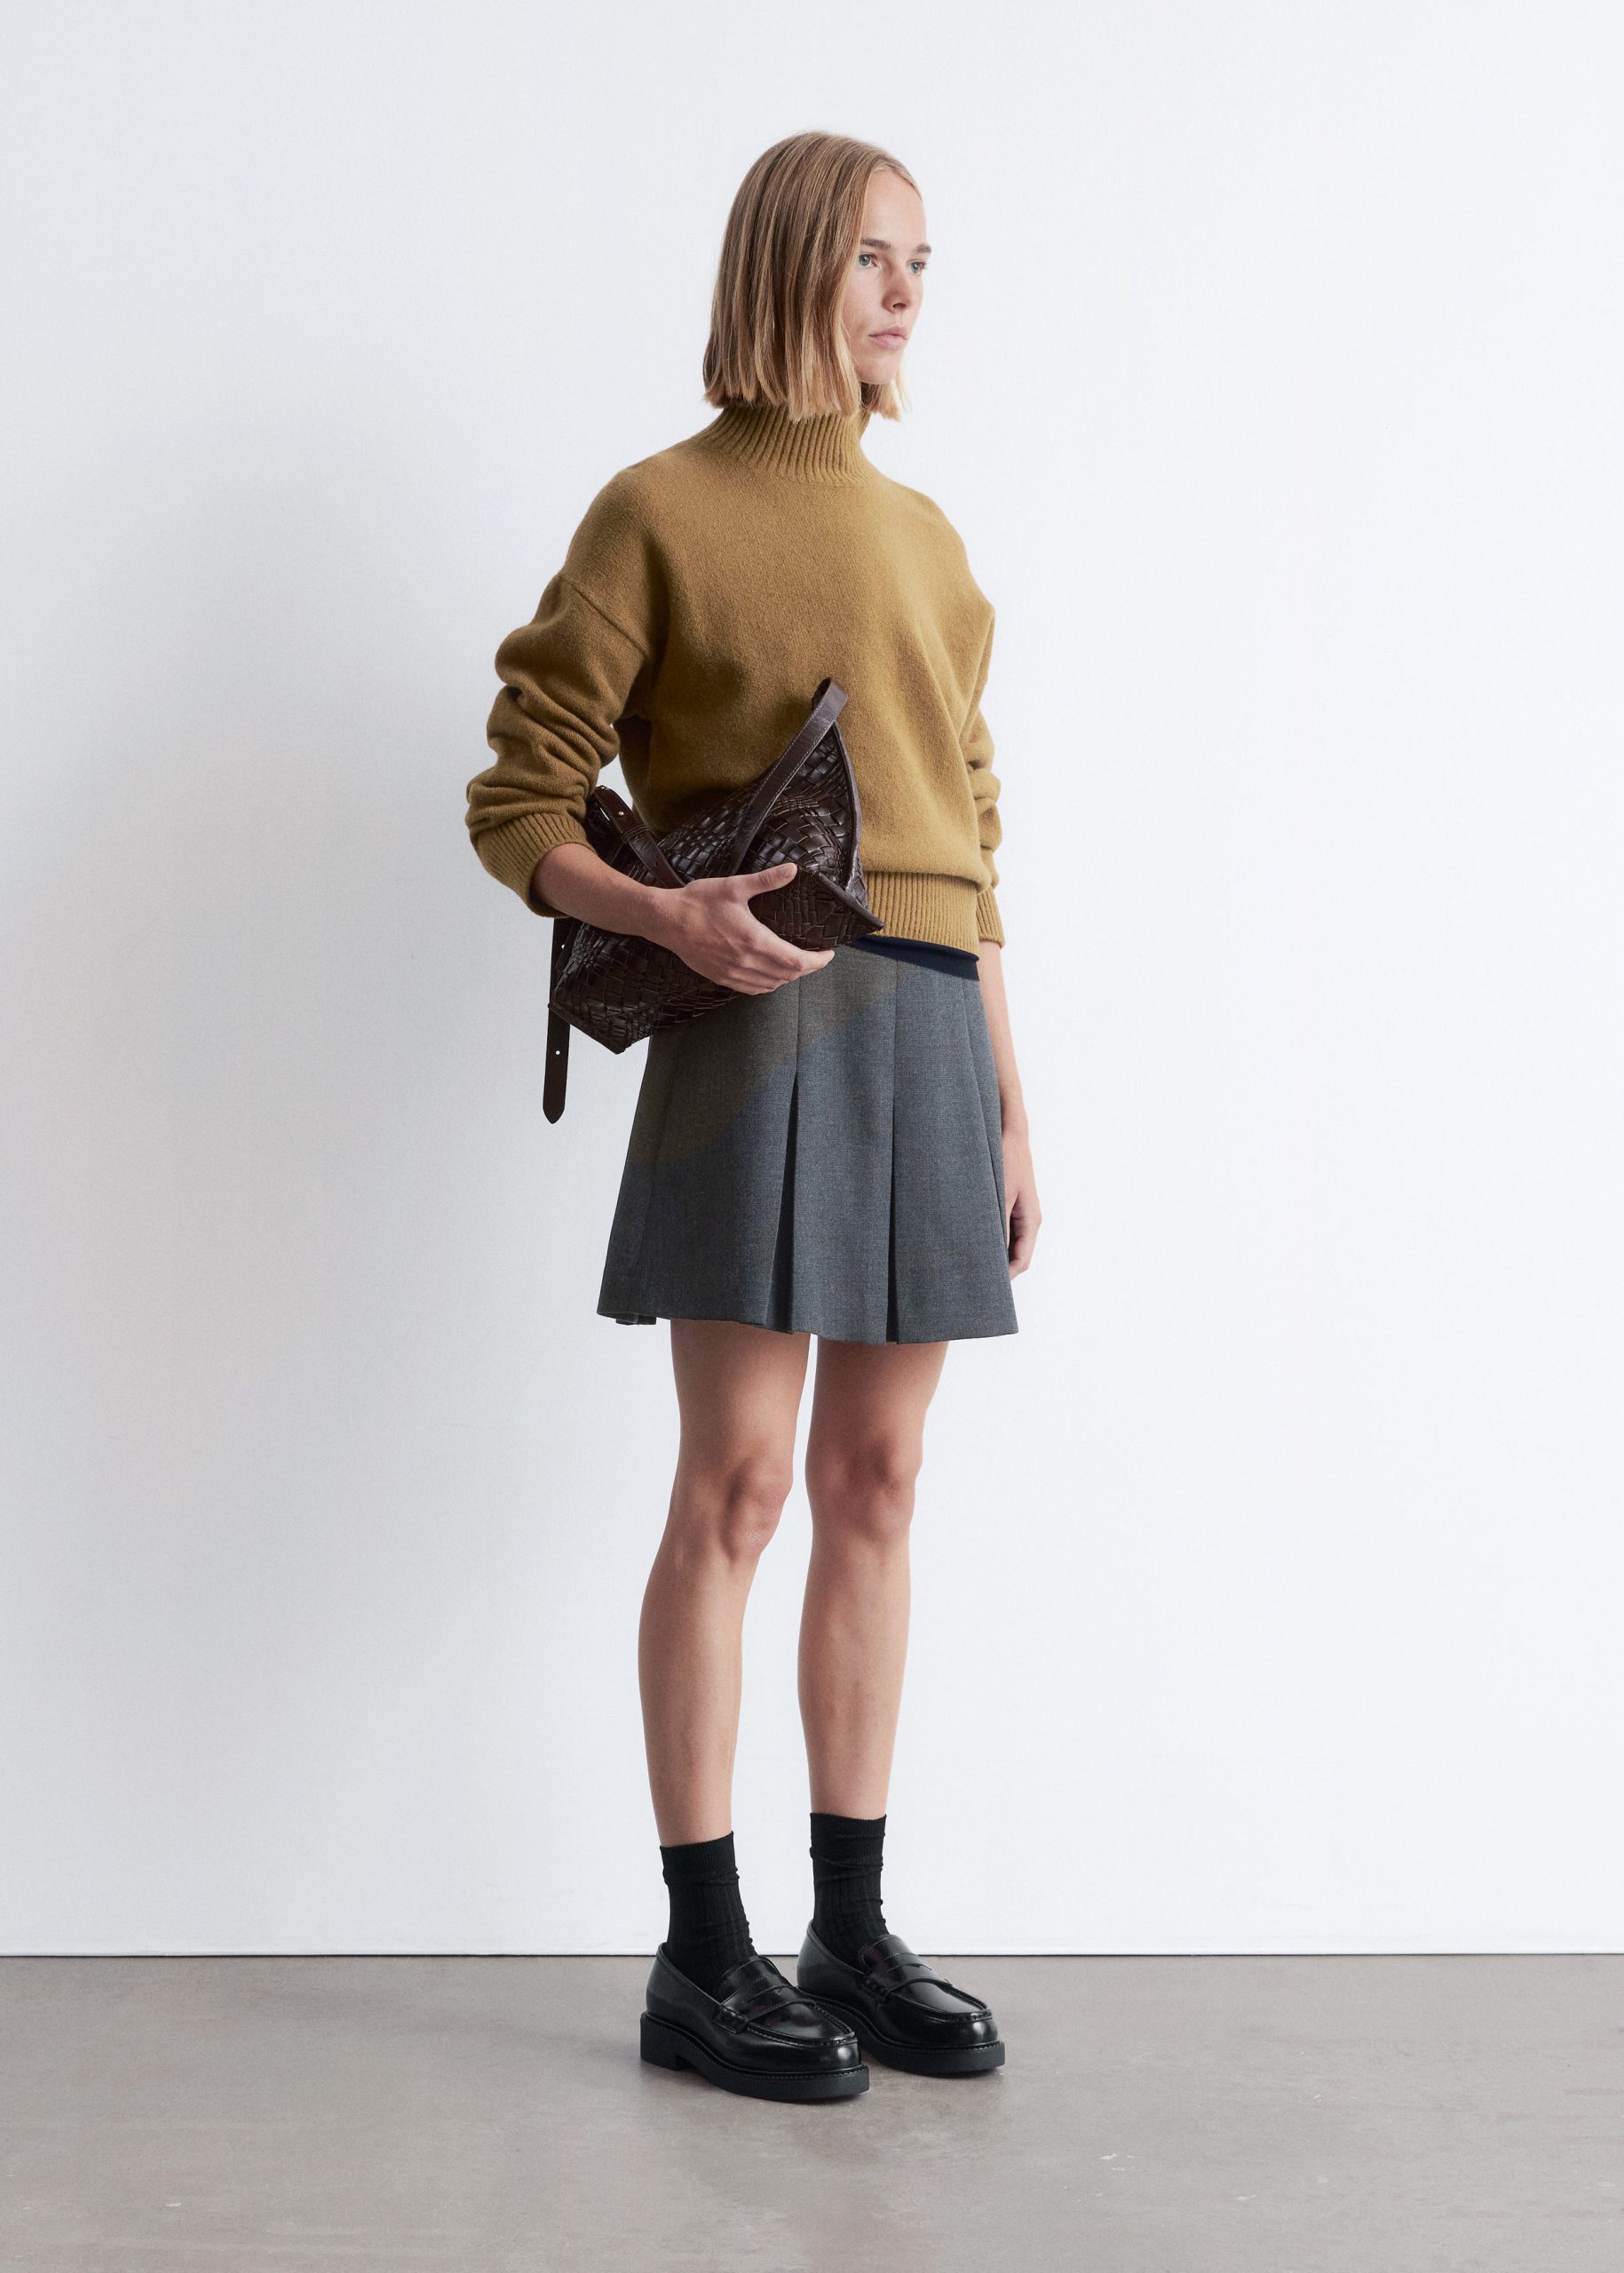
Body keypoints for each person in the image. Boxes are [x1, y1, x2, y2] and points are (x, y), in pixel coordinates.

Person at [463, 131, 1042, 2103]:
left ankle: (847, 1929)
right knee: (736, 1483)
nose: (907, 294)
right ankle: (701, 1953)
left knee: (880, 1483)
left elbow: (972, 842)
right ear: (791, 265)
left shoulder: (934, 544)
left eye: (924, 263)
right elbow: (520, 791)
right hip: (757, 1027)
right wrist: (661, 914)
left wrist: (1010, 1100)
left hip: (930, 1023)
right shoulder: (659, 510)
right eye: (875, 258)